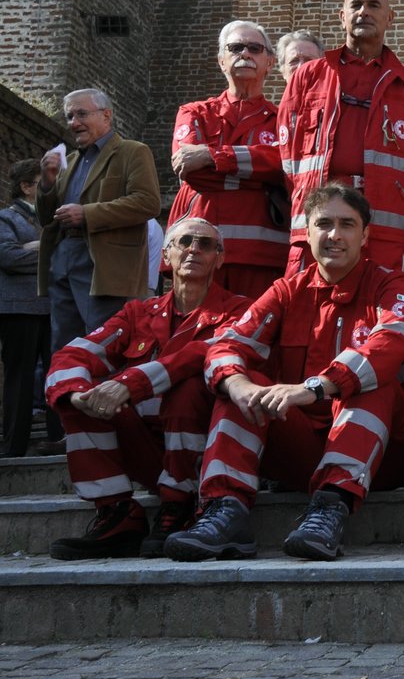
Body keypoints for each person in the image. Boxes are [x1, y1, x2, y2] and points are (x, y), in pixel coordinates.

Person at [165, 184, 404, 561]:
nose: (334, 235)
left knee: (370, 381)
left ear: (365, 235)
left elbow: (393, 342)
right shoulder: (288, 289)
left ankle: (331, 508)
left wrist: (317, 387)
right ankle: (224, 512)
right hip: (305, 451)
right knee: (242, 387)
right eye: (324, 223)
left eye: (347, 225)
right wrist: (237, 383)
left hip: (383, 459)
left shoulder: (390, 283)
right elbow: (227, 345)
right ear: (307, 230)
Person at [45, 218, 251, 559]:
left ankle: (181, 505)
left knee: (188, 388)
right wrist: (79, 394)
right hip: (148, 450)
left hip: (202, 456)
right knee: (74, 396)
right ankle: (117, 515)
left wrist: (129, 384)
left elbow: (200, 354)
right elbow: (74, 353)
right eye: (184, 242)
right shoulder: (137, 312)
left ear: (220, 258)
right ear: (166, 256)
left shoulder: (240, 310)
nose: (193, 249)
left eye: (205, 244)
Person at [277, 0, 404, 275]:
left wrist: (395, 192)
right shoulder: (309, 76)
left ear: (390, 18)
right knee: (307, 311)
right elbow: (289, 155)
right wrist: (307, 193)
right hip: (317, 223)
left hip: (385, 227)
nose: (364, 12)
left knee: (381, 312)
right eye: (356, 5)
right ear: (342, 16)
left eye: (374, 6)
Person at [167, 20, 289, 299]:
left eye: (255, 48)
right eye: (235, 48)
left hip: (261, 253)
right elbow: (191, 171)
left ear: (270, 62)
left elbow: (285, 165)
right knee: (192, 334)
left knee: (252, 335)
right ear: (221, 60)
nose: (245, 54)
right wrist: (257, 173)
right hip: (195, 250)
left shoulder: (284, 119)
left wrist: (213, 156)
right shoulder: (194, 112)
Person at [37, 88, 161, 353]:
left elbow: (147, 203)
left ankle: (98, 394)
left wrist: (87, 214)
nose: (74, 123)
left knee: (100, 344)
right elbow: (46, 217)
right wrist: (47, 184)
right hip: (63, 257)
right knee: (63, 346)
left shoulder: (132, 152)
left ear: (106, 116)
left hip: (104, 263)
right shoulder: (68, 161)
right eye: (69, 116)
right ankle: (66, 393)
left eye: (82, 114)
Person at [0, 160, 51, 456]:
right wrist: (47, 253)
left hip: (51, 307)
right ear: (26, 187)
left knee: (58, 373)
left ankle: (57, 440)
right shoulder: (6, 218)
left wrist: (34, 248)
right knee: (19, 378)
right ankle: (13, 446)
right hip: (18, 310)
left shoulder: (46, 220)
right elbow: (8, 257)